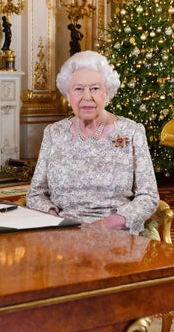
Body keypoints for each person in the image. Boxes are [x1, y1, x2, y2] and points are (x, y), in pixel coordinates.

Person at [26, 51, 159, 234]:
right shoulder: (53, 133)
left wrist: (106, 225)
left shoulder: (132, 132)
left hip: (115, 233)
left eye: (95, 88)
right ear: (68, 94)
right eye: (78, 89)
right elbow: (36, 194)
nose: (87, 97)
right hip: (63, 232)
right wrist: (55, 219)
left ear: (107, 92)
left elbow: (149, 197)